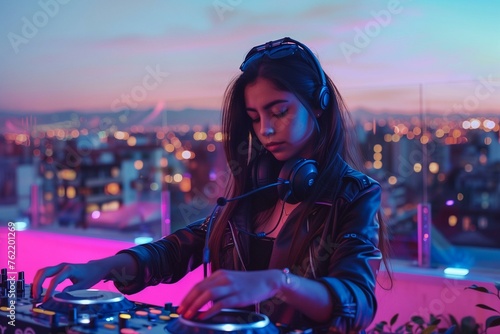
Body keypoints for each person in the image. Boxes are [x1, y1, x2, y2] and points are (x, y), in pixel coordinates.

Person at [33, 37, 391, 333]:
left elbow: (357, 302)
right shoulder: (259, 185)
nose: (265, 129)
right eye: (255, 118)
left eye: (279, 112)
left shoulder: (354, 194)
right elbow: (182, 247)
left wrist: (278, 281)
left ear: (319, 106)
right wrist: (107, 266)